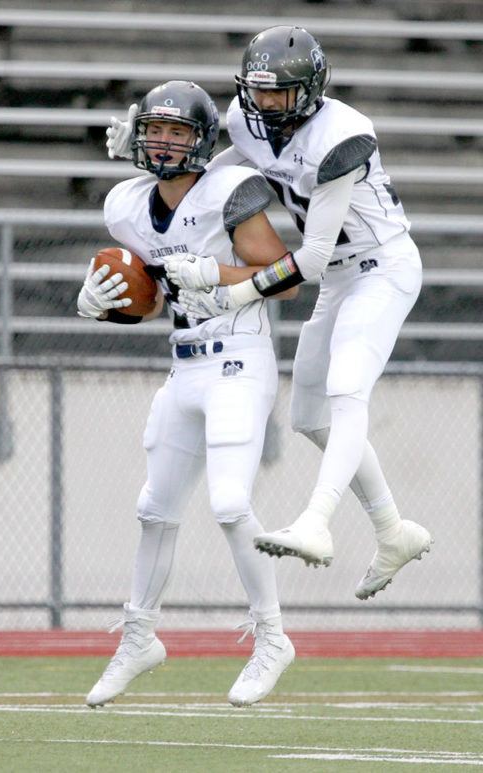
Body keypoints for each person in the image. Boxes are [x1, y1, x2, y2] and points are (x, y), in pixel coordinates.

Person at [112, 26, 433, 600]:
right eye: (257, 91)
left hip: (382, 266)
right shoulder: (245, 119)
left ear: (310, 89)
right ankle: (392, 530)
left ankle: (317, 519)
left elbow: (307, 259)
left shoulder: (343, 135)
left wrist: (225, 284)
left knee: (346, 387)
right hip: (339, 277)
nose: (264, 104)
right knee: (310, 414)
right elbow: (216, 173)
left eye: (278, 93)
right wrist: (155, 161)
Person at [79, 80, 298, 708]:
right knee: (155, 508)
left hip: (239, 357)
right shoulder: (125, 205)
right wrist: (102, 302)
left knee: (230, 503)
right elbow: (155, 294)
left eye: (179, 131)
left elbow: (283, 281)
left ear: (202, 139)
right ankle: (139, 637)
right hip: (184, 365)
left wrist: (217, 273)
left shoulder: (227, 190)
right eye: (157, 129)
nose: (166, 142)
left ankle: (272, 636)